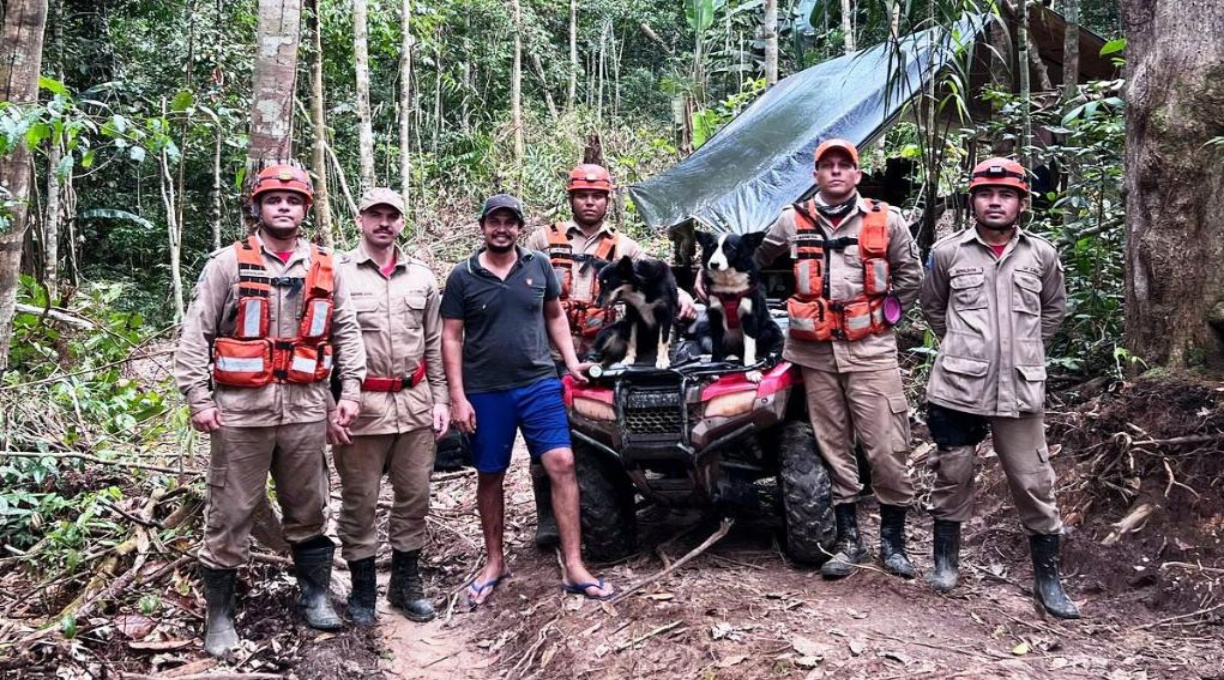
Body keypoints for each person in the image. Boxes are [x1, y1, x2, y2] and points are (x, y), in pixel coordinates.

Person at [174, 164, 367, 657]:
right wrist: (198, 397)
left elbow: (345, 331)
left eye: (294, 200)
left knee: (309, 507)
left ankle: (316, 595)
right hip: (241, 410)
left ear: (306, 209)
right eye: (274, 199)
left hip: (306, 406)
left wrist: (350, 392)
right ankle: (220, 617)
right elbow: (196, 334)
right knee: (231, 511)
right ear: (257, 207)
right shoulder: (227, 264)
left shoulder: (325, 265)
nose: (284, 207)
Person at [754, 139, 923, 579]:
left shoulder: (887, 221)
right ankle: (849, 541)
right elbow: (755, 258)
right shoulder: (792, 221)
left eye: (843, 166)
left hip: (871, 350)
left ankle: (894, 543)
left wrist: (884, 316)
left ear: (857, 173)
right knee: (832, 444)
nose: (835, 172)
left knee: (886, 445)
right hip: (814, 352)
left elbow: (910, 275)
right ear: (815, 175)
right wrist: (717, 278)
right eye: (826, 166)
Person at [919, 157, 1079, 619]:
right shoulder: (949, 252)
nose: (995, 202)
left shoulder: (1041, 255)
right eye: (986, 194)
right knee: (953, 474)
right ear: (972, 201)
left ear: (1020, 204)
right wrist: (967, 349)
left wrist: (1022, 350)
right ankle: (945, 563)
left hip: (1020, 390)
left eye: (1005, 195)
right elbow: (933, 307)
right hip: (957, 389)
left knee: (1034, 482)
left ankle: (1048, 581)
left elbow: (1053, 310)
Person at [441, 193, 613, 607]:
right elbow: (450, 336)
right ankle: (494, 561)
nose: (502, 229)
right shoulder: (462, 276)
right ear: (482, 226)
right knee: (490, 472)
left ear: (520, 228)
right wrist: (457, 397)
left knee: (562, 462)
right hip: (486, 390)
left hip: (538, 383)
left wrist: (571, 362)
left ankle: (574, 565)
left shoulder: (538, 266)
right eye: (494, 222)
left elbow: (554, 315)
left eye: (509, 222)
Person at [522, 163, 695, 549]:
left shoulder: (624, 247)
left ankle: (605, 508)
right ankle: (549, 517)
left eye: (597, 196)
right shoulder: (542, 241)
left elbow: (656, 275)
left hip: (604, 355)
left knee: (603, 435)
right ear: (571, 198)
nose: (589, 202)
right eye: (582, 195)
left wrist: (682, 294)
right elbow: (516, 277)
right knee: (545, 440)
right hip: (546, 355)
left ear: (607, 200)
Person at [328, 188, 450, 626]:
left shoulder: (420, 276)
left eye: (392, 216)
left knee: (414, 496)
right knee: (360, 500)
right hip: (361, 407)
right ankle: (363, 589)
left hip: (415, 403)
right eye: (375, 215)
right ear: (360, 219)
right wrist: (331, 405)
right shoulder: (338, 273)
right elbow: (325, 346)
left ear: (402, 222)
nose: (384, 223)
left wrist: (442, 399)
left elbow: (434, 344)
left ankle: (406, 583)